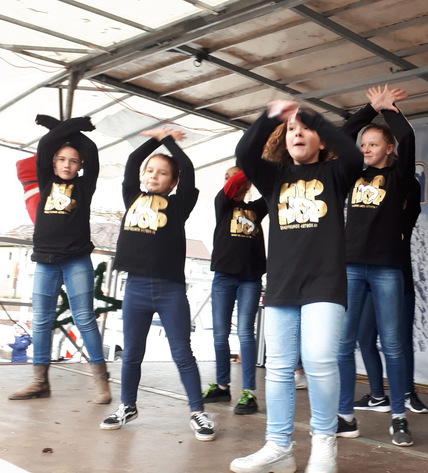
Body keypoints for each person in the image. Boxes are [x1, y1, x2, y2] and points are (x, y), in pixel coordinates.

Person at [230, 101, 362, 473]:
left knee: (319, 360)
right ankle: (278, 446)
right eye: (291, 129)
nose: (298, 133)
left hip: (325, 284)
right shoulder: (274, 177)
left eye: (306, 128)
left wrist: (313, 116)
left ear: (321, 140)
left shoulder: (336, 172)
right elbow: (244, 153)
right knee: (278, 368)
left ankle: (324, 445)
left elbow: (354, 155)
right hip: (282, 286)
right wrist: (270, 116)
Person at [99, 127, 215, 442]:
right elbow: (132, 162)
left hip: (170, 290)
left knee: (182, 352)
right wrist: (153, 139)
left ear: (173, 182)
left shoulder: (179, 204)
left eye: (162, 173)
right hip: (135, 288)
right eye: (150, 170)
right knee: (131, 353)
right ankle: (127, 406)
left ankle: (197, 411)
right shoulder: (132, 196)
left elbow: (187, 168)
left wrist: (168, 141)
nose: (153, 175)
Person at [9, 115, 111, 404]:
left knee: (85, 319)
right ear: (52, 163)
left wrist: (70, 126)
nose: (67, 165)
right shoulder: (45, 180)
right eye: (62, 159)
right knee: (41, 320)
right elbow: (45, 146)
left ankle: (101, 381)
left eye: (73, 161)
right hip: (45, 261)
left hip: (76, 260)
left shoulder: (85, 186)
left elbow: (90, 150)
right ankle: (40, 381)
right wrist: (58, 126)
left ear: (80, 166)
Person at [336, 85, 417, 447]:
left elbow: (408, 137)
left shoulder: (400, 177)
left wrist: (390, 111)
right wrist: (370, 109)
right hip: (352, 267)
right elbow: (340, 138)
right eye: (363, 144)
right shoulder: (351, 174)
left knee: (393, 344)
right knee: (344, 344)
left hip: (386, 268)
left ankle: (398, 417)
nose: (365, 149)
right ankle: (345, 416)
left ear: (389, 149)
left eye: (373, 144)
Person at [353, 178, 428, 415]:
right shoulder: (370, 210)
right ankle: (377, 396)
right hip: (371, 280)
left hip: (400, 280)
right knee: (365, 337)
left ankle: (407, 393)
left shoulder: (404, 210)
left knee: (400, 340)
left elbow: (409, 184)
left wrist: (398, 173)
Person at [203, 165, 267, 416]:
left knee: (245, 332)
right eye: (226, 177)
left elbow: (273, 190)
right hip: (224, 277)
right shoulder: (222, 203)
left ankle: (249, 392)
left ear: (248, 184)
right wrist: (248, 169)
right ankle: (222, 386)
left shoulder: (256, 209)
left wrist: (257, 171)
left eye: (236, 176)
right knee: (220, 334)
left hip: (250, 279)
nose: (231, 181)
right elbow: (232, 186)